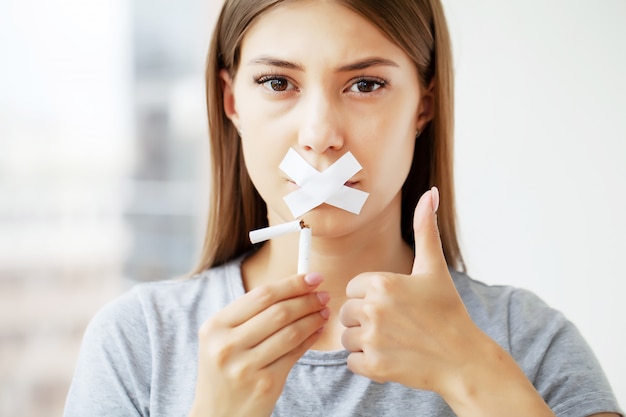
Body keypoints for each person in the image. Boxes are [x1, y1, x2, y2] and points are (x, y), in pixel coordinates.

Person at [64, 0, 623, 416]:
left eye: (365, 84)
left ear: (423, 105)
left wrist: (474, 373)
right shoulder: (139, 344)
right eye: (278, 82)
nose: (320, 135)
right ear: (232, 101)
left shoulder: (530, 343)